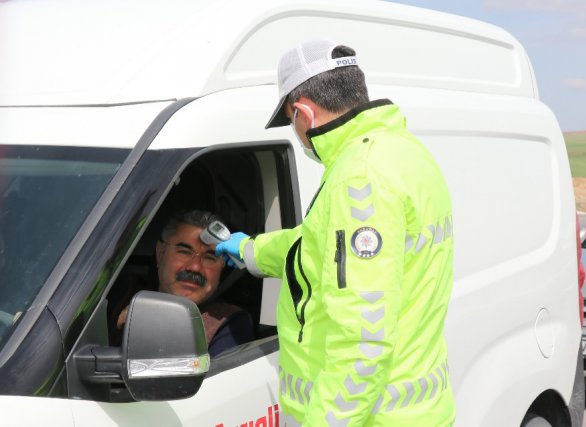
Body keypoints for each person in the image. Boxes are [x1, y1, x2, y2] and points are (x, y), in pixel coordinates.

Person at [217, 39, 455, 426]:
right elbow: (318, 245)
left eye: (291, 122)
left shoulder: (360, 178)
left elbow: (363, 340)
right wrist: (251, 250)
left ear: (303, 114)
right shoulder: (403, 151)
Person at [109, 210, 253, 357]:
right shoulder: (120, 293)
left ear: (222, 267)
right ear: (160, 254)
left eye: (210, 258)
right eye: (184, 252)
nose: (195, 267)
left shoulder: (229, 324)